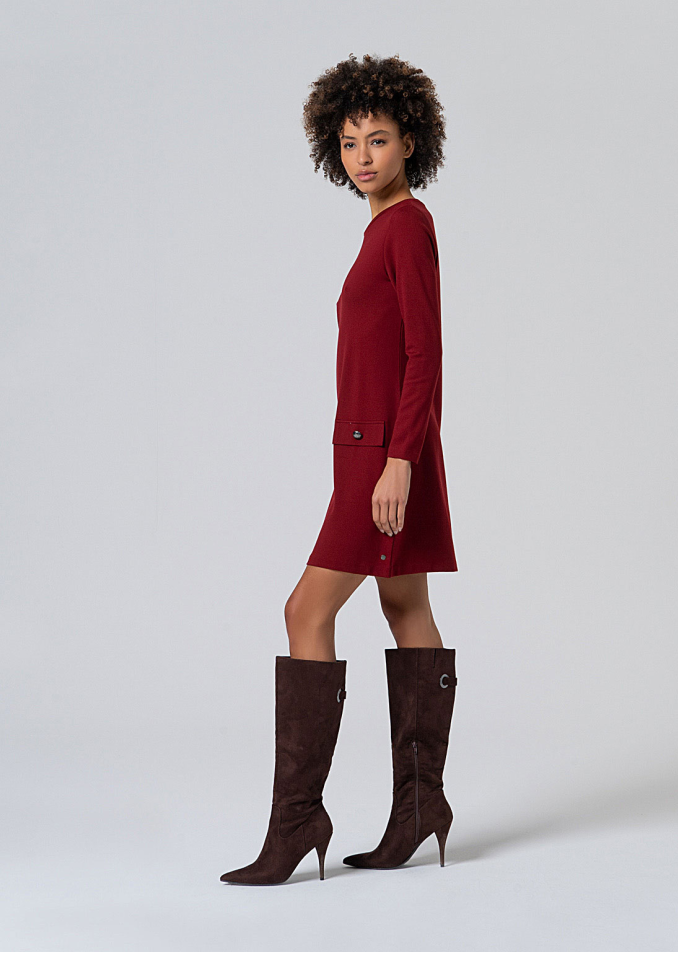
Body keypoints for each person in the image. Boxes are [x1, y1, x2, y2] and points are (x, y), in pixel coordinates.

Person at [220, 53, 459, 887]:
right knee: (404, 604)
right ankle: (420, 808)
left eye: (378, 139)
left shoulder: (406, 225)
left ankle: (297, 822)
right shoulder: (379, 228)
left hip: (382, 456)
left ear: (409, 142)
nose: (362, 156)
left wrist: (397, 461)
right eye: (350, 141)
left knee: (304, 609)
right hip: (372, 449)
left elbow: (425, 353)